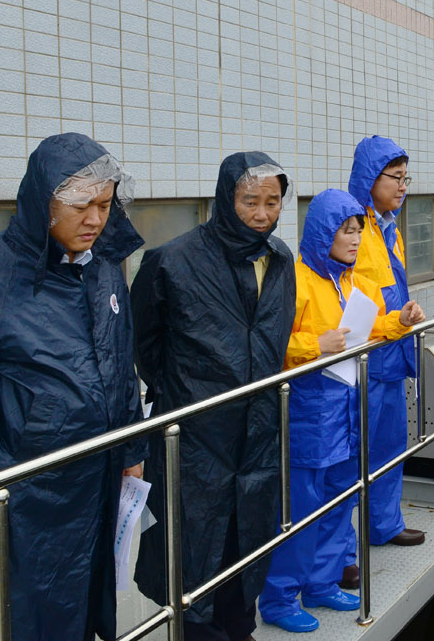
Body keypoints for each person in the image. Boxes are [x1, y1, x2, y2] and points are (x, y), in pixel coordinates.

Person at [0, 134, 144, 641]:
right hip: (18, 495)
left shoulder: (103, 270)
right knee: (9, 615)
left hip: (92, 480)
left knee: (77, 607)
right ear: (43, 201)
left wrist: (132, 445)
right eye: (81, 206)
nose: (95, 220)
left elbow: (119, 361)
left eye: (105, 205)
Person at [131, 152, 296, 641]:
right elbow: (144, 345)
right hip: (198, 435)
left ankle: (239, 628)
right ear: (226, 198)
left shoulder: (281, 257)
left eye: (273, 202)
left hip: (260, 431)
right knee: (195, 553)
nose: (263, 214)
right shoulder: (172, 260)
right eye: (250, 201)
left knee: (246, 547)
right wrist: (187, 392)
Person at [257, 190, 424, 633]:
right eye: (346, 231)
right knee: (301, 508)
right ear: (321, 233)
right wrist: (314, 346)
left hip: (348, 412)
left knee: (338, 501)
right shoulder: (294, 282)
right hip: (309, 416)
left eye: (358, 230)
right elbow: (267, 346)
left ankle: (322, 581)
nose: (354, 239)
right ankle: (278, 597)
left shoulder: (355, 283)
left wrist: (400, 321)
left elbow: (368, 331)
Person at [344, 137, 424, 562]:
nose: (403, 186)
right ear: (369, 178)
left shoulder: (388, 226)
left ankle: (384, 524)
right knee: (351, 455)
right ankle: (339, 555)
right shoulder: (352, 224)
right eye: (395, 177)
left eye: (405, 178)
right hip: (363, 355)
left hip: (392, 349)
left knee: (391, 443)